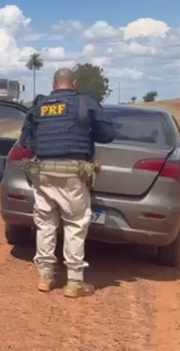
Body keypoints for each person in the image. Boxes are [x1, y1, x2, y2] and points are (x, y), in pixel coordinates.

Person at [18, 68, 115, 298]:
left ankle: (45, 277)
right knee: (75, 224)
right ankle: (74, 282)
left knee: (45, 224)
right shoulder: (84, 103)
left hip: (42, 172)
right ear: (74, 83)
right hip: (72, 174)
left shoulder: (40, 105)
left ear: (54, 83)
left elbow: (25, 139)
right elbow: (107, 134)